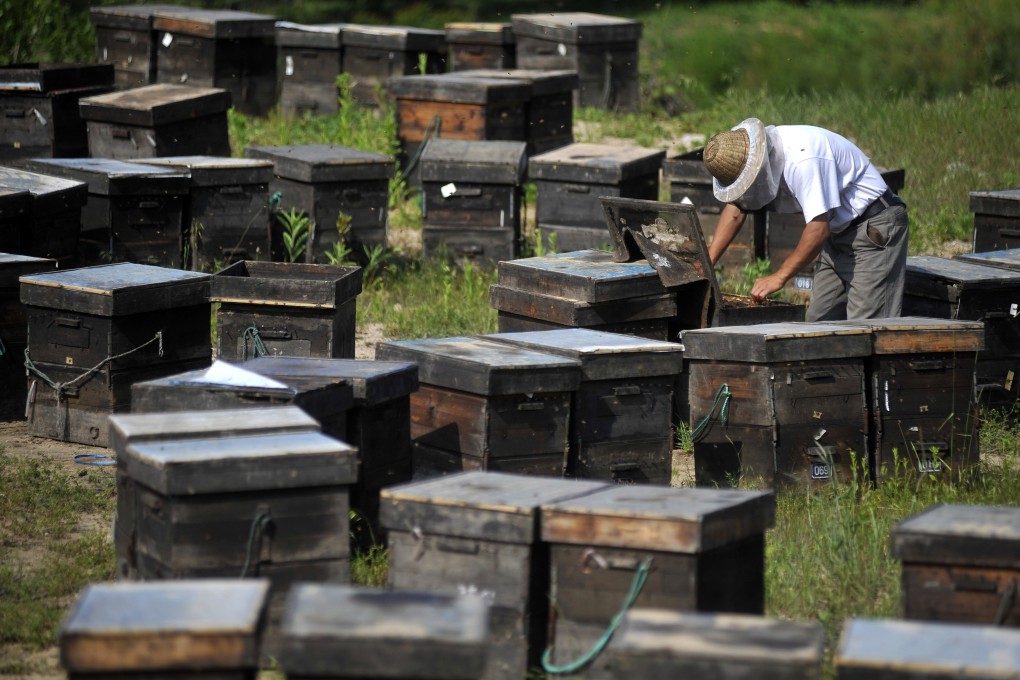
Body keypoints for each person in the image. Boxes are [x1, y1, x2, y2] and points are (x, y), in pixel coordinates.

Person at [702, 118, 909, 321]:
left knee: (867, 329)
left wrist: (779, 276)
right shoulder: (740, 152)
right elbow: (736, 209)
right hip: (837, 233)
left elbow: (818, 230)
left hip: (872, 231)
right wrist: (707, 264)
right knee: (819, 324)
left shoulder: (804, 160)